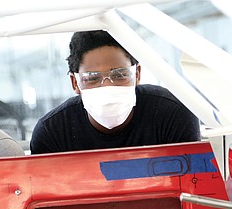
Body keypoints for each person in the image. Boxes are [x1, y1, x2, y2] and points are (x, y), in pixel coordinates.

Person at [30, 30, 201, 154]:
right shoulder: (52, 132)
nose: (107, 87)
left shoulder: (173, 114)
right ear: (75, 83)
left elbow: (192, 189)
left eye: (120, 75)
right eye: (92, 78)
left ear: (137, 74)